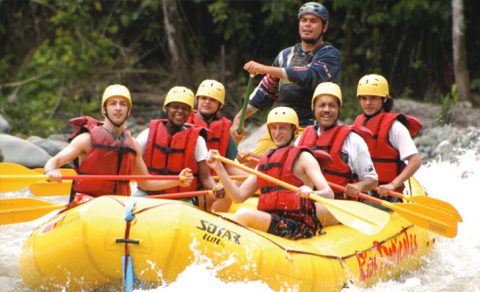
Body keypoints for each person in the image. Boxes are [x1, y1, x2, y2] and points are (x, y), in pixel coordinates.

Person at [44, 84, 194, 207]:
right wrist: (51, 171)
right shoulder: (87, 139)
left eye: (123, 104)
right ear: (104, 109)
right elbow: (54, 162)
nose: (118, 108)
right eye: (113, 103)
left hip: (118, 205)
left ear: (128, 111)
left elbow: (146, 182)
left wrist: (177, 180)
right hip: (87, 203)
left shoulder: (133, 145)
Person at [207, 107, 336, 240]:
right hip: (273, 219)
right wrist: (219, 168)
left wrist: (313, 193)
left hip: (298, 225)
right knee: (235, 216)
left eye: (282, 128)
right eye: (273, 128)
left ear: (294, 130)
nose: (277, 133)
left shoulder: (304, 157)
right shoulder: (265, 161)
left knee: (243, 215)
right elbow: (239, 196)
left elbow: (329, 193)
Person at [230, 2, 341, 156]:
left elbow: (309, 75)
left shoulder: (330, 54)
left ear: (324, 27)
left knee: (288, 163)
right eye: (304, 20)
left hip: (312, 127)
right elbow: (263, 93)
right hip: (281, 126)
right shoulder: (284, 56)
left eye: (314, 21)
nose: (307, 24)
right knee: (248, 163)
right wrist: (238, 118)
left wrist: (264, 68)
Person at [136, 86, 229, 211]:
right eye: (175, 107)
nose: (180, 111)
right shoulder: (147, 135)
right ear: (166, 108)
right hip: (147, 195)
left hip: (181, 199)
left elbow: (205, 177)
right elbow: (132, 162)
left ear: (190, 112)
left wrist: (215, 188)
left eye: (185, 108)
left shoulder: (198, 141)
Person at [296, 82, 378, 199]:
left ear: (339, 109)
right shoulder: (302, 137)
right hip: (306, 203)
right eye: (322, 105)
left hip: (340, 205)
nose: (326, 110)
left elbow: (373, 180)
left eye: (332, 106)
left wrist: (359, 186)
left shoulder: (354, 140)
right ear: (313, 108)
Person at [353, 74, 422, 202]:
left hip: (387, 195)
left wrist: (393, 185)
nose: (367, 103)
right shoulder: (358, 122)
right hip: (362, 190)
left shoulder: (395, 127)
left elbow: (415, 161)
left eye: (373, 98)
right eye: (364, 98)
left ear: (384, 99)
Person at [186, 79, 245, 175]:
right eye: (204, 98)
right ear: (197, 100)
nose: (207, 102)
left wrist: (256, 179)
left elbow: (230, 167)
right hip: (188, 181)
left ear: (219, 105)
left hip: (214, 184)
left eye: (212, 100)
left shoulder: (223, 130)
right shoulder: (184, 123)